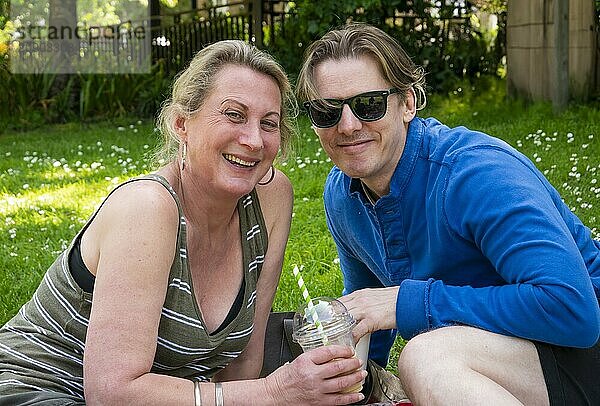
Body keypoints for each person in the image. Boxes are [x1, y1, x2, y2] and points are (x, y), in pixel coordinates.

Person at [0, 40, 367, 406]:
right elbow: (112, 393)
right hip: (36, 388)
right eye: (234, 114)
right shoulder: (147, 209)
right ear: (181, 124)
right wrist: (276, 392)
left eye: (268, 124)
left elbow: (244, 361)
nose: (254, 140)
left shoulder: (271, 197)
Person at [297, 23, 600, 405]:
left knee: (426, 358)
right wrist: (357, 382)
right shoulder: (342, 194)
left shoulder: (475, 173)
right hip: (504, 362)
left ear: (408, 103)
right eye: (327, 111)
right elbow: (367, 301)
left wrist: (408, 303)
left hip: (582, 352)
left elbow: (573, 310)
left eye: (368, 104)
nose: (348, 125)